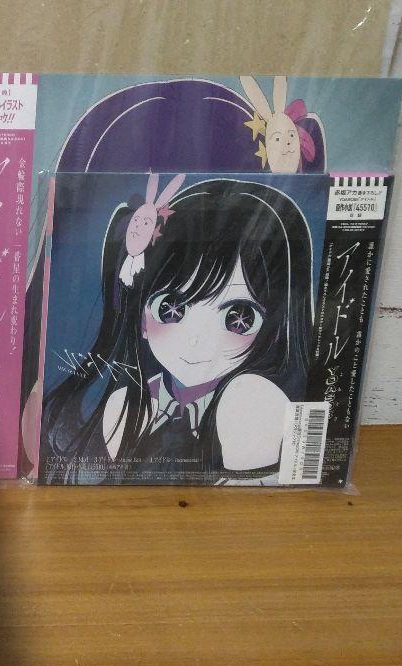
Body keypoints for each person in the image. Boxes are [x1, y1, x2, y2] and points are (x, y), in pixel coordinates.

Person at [40, 177, 314, 485]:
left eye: (239, 318)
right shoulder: (128, 405)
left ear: (277, 326)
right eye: (171, 309)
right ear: (142, 317)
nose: (197, 340)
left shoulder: (254, 402)